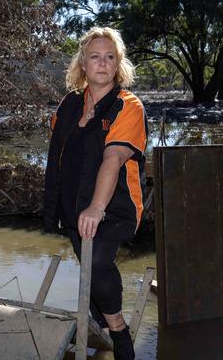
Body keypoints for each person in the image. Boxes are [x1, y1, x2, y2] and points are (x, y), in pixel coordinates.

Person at [43, 27, 147, 360]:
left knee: (98, 263)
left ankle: (118, 331)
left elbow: (113, 158)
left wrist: (96, 208)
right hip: (73, 202)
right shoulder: (70, 104)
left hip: (112, 204)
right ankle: (101, 320)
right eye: (94, 56)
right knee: (87, 266)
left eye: (110, 57)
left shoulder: (127, 106)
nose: (102, 63)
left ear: (118, 65)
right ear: (83, 64)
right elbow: (62, 146)